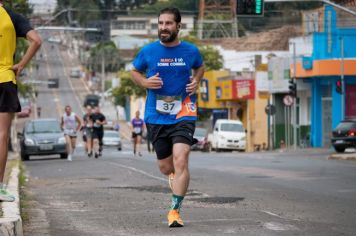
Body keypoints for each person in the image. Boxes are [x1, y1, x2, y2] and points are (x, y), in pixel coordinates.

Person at [130, 7, 204, 227]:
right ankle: (174, 177)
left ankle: (174, 211)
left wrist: (196, 80)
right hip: (156, 116)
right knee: (165, 167)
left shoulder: (190, 51)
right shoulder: (148, 51)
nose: (163, 27)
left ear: (178, 26)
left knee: (182, 158)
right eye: (161, 23)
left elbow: (200, 67)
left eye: (168, 23)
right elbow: (134, 71)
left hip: (184, 112)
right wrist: (144, 82)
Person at [0, 1, 41, 202]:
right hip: (5, 79)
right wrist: (21, 65)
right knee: (1, 135)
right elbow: (36, 40)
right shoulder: (12, 17)